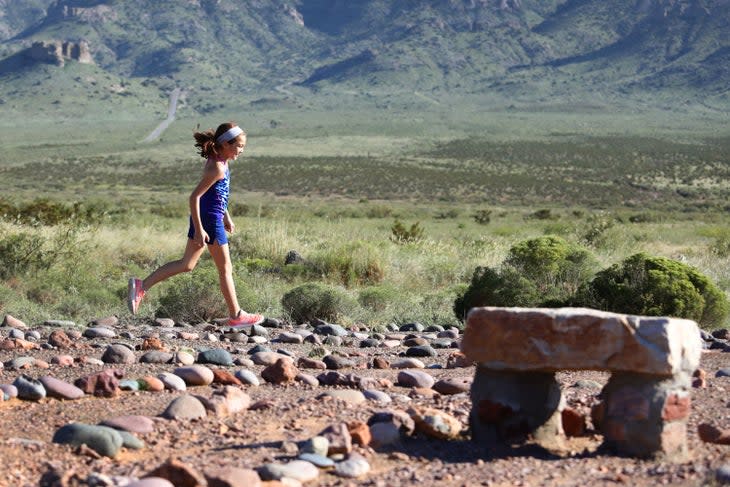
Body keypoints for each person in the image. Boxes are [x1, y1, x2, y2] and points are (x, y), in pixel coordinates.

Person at [127, 122, 265, 327]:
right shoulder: (217, 167)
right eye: (240, 146)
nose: (242, 150)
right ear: (226, 144)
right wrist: (201, 229)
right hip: (209, 220)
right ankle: (237, 315)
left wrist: (226, 215)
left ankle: (141, 286)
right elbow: (195, 197)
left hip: (211, 216)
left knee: (186, 264)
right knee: (225, 269)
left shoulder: (220, 160)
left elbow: (216, 195)